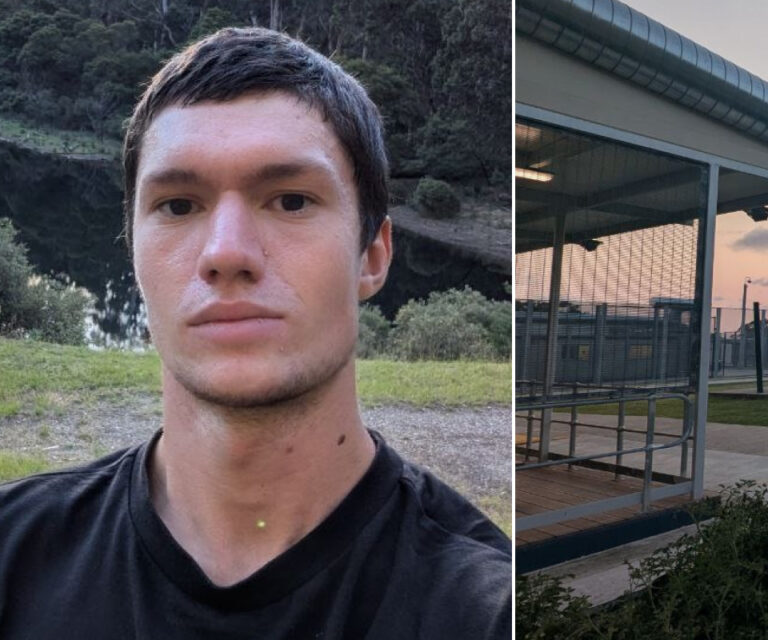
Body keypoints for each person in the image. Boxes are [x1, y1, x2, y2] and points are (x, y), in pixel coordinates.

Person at [0, 28, 511, 639]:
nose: (226, 253)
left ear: (373, 256)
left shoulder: (488, 611)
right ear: (133, 252)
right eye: (179, 205)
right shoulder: (13, 556)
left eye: (291, 201)